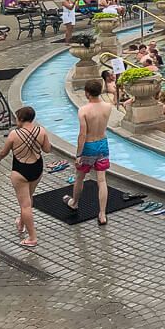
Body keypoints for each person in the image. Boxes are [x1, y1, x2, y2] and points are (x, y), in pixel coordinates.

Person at [0, 106, 51, 247]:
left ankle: (32, 238)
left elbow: (4, 152)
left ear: (21, 119)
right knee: (28, 198)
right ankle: (21, 223)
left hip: (20, 170)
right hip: (37, 168)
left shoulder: (14, 134)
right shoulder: (41, 131)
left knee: (25, 205)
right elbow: (47, 150)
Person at [64, 80, 113, 226]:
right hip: (103, 144)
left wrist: (79, 154)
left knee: (80, 177)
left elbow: (82, 135)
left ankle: (74, 203)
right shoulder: (108, 107)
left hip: (89, 146)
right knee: (102, 180)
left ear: (86, 92)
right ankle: (102, 214)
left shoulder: (83, 110)